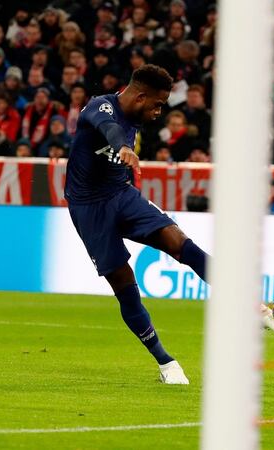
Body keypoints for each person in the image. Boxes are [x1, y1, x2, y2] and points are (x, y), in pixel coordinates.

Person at [64, 65, 210, 384]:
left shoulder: (138, 115)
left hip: (122, 194)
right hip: (89, 209)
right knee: (124, 285)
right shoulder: (99, 106)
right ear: (140, 96)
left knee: (179, 242)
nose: (159, 112)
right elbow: (107, 125)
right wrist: (123, 147)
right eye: (157, 105)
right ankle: (166, 362)